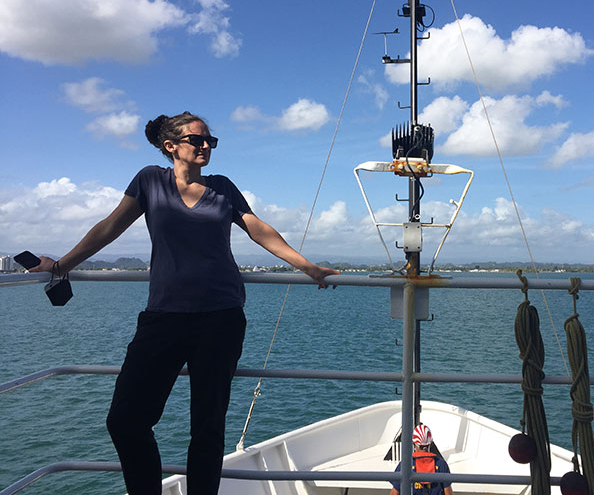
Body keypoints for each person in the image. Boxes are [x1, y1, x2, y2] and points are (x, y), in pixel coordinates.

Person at [31, 111, 339, 495]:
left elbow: (258, 228)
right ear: (171, 146)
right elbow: (109, 228)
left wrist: (307, 267)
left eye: (211, 140)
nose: (206, 146)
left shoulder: (222, 187)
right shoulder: (149, 181)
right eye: (198, 139)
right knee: (126, 420)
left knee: (207, 429)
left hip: (221, 319)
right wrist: (61, 265)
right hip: (164, 318)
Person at [390, 424, 453, 495]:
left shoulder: (406, 464)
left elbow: (394, 493)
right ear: (430, 443)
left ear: (414, 443)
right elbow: (448, 492)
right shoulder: (441, 464)